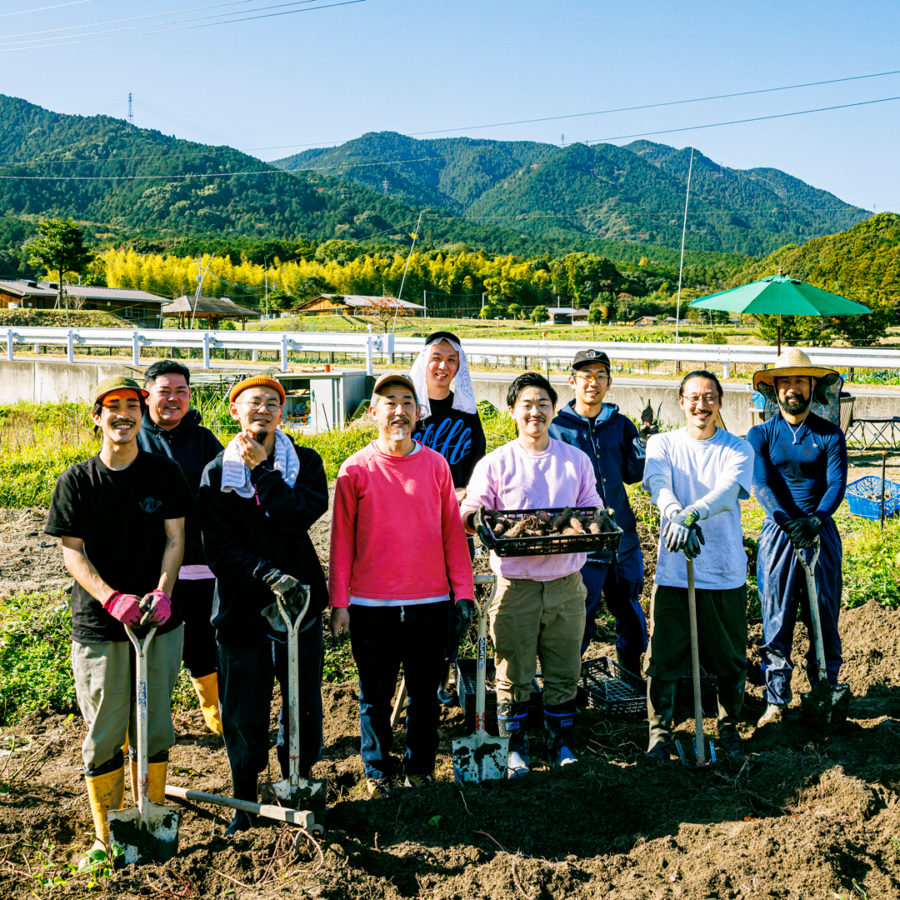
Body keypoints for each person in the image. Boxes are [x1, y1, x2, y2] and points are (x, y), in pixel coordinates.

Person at [45, 375, 189, 855]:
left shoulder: (163, 474)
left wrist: (162, 591)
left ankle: (148, 825)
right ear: (97, 416)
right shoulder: (77, 481)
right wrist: (110, 598)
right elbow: (73, 553)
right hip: (100, 625)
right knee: (106, 729)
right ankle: (108, 836)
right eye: (114, 406)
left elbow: (175, 538)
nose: (123, 414)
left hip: (157, 620)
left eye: (133, 405)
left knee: (155, 725)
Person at [328, 373, 474, 798]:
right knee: (374, 694)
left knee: (426, 694)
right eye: (389, 402)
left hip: (430, 601)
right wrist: (340, 602)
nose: (399, 410)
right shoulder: (355, 469)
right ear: (373, 413)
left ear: (417, 413)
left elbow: (452, 534)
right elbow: (341, 542)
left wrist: (461, 593)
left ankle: (421, 768)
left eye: (407, 402)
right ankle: (378, 772)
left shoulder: (435, 466)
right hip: (371, 604)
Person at [197, 376, 329, 834]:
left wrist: (262, 473)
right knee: (243, 711)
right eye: (254, 402)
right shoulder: (216, 472)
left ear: (282, 413)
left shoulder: (306, 464)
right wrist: (264, 574)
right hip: (241, 611)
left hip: (299, 607)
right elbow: (217, 546)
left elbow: (297, 516)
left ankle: (298, 779)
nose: (264, 409)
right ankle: (245, 802)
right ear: (235, 410)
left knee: (303, 704)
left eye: (273, 403)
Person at [461, 372, 602, 775]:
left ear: (553, 411)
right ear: (512, 412)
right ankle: (515, 747)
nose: (535, 411)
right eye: (526, 404)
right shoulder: (496, 463)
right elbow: (470, 509)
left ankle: (560, 744)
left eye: (543, 404)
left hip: (565, 585)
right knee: (512, 671)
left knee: (564, 669)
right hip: (515, 586)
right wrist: (479, 522)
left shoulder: (574, 460)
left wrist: (588, 525)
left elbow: (591, 505)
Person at [642, 370, 753, 760]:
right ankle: (660, 731)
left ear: (720, 403)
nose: (700, 405)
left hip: (723, 570)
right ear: (681, 401)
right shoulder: (662, 443)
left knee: (729, 656)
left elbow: (727, 493)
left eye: (709, 397)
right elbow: (658, 483)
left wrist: (691, 515)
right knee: (664, 654)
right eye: (692, 397)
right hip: (674, 571)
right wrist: (675, 514)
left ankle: (728, 725)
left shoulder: (737, 448)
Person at [747, 349, 848, 727]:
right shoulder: (761, 433)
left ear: (811, 386)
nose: (793, 388)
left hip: (819, 532)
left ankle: (826, 689)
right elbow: (761, 482)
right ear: (774, 389)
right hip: (779, 533)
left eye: (800, 381)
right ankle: (776, 700)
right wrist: (787, 521)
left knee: (824, 614)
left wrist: (818, 519)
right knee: (777, 615)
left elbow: (837, 483)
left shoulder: (828, 434)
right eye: (785, 382)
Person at [549, 348, 649, 675]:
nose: (593, 383)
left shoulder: (621, 425)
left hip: (624, 540)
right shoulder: (557, 428)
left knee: (632, 615)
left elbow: (634, 474)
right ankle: (565, 686)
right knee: (578, 617)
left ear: (609, 381)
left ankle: (631, 678)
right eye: (586, 376)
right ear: (572, 381)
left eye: (600, 376)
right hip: (582, 544)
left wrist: (645, 445)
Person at [137, 360, 224, 735]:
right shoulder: (132, 438)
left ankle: (216, 713)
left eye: (181, 392)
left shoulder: (204, 440)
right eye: (164, 391)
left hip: (202, 563)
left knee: (205, 641)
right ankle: (149, 719)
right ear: (147, 396)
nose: (173, 399)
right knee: (154, 643)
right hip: (150, 566)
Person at [409, 330, 487, 702]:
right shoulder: (410, 411)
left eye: (451, 360)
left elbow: (477, 467)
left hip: (456, 524)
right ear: (424, 359)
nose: (442, 366)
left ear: (460, 366)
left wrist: (466, 494)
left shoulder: (467, 413)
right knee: (415, 602)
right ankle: (413, 677)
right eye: (436, 357)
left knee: (457, 600)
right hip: (410, 524)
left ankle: (441, 676)